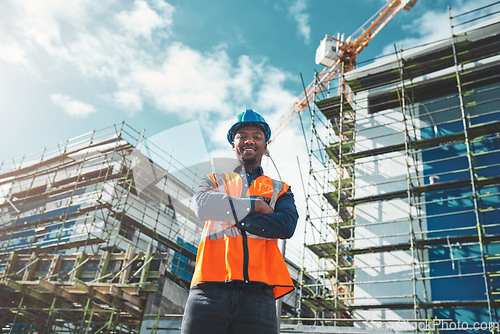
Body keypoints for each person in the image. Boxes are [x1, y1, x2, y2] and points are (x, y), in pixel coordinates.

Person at [181, 109, 299, 334]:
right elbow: (203, 207)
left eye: (257, 135)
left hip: (259, 296)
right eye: (242, 135)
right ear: (233, 143)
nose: (249, 140)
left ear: (265, 145)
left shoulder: (280, 190)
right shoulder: (214, 180)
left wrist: (230, 213)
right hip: (208, 289)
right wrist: (257, 207)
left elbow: (285, 226)